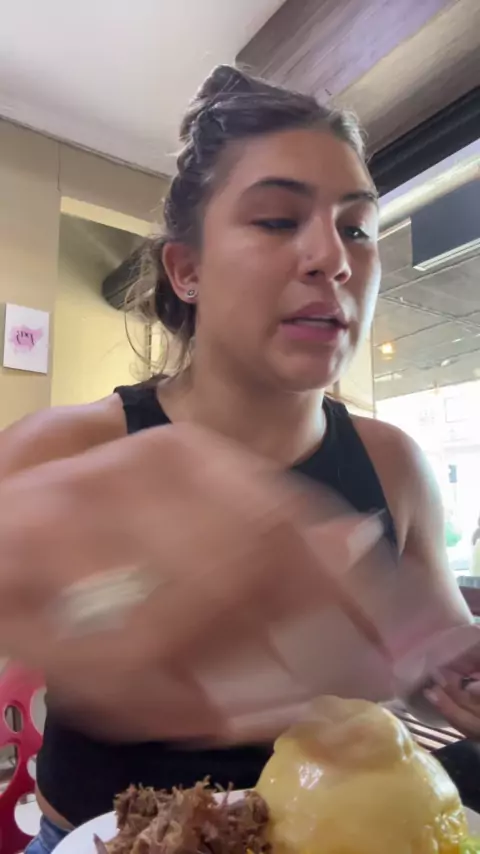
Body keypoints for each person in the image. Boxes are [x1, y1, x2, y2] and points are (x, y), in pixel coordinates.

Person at [0, 66, 476, 852]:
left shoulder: (395, 464)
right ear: (186, 271)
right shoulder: (70, 448)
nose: (333, 257)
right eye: (278, 220)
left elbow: (440, 660)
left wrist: (458, 675)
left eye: (358, 228)